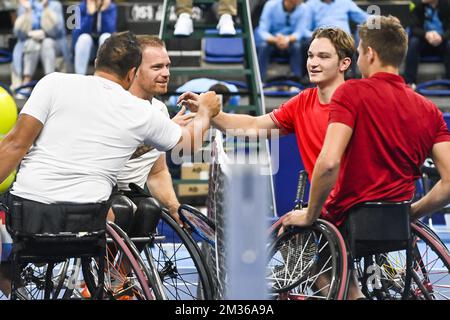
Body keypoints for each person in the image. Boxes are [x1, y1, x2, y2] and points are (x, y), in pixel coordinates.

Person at [0, 31, 220, 296]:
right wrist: (206, 111)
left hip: (29, 217)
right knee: (118, 208)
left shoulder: (53, 82)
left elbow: (14, 145)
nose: (165, 72)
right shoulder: (140, 112)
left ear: (96, 62)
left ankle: (10, 275)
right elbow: (189, 144)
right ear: (132, 73)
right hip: (89, 223)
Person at [281, 15, 450, 299]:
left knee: (314, 267)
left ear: (370, 54)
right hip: (397, 220)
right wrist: (412, 211)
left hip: (346, 218)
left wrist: (310, 214)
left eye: (359, 52)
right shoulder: (429, 110)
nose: (358, 59)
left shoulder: (350, 93)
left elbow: (329, 163)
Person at [179, 27, 354, 193]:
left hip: (358, 207)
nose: (313, 63)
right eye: (310, 56)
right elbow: (253, 126)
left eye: (323, 57)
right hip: (325, 207)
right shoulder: (302, 102)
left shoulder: (358, 101)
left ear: (344, 64)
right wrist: (209, 112)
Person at [11, 0, 72, 90]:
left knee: (46, 43)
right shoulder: (25, 5)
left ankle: (50, 81)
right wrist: (27, 12)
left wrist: (46, 10)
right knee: (32, 43)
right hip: (29, 42)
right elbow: (19, 34)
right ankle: (26, 81)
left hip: (53, 42)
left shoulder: (55, 5)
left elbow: (57, 33)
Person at [254, 0, 308, 82]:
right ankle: (259, 80)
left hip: (290, 42)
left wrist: (287, 39)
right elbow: (262, 30)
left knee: (297, 46)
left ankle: (296, 80)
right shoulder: (271, 5)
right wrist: (276, 40)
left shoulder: (304, 8)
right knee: (263, 46)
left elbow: (300, 32)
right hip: (271, 40)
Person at [404, 0, 450, 86]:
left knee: (449, 44)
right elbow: (413, 28)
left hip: (442, 41)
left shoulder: (447, 5)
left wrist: (442, 37)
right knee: (414, 42)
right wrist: (426, 34)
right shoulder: (417, 5)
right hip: (424, 40)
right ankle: (409, 82)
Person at [72, 0, 117, 75]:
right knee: (84, 38)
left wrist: (103, 11)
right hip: (88, 49)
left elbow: (111, 31)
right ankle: (79, 76)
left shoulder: (111, 7)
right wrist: (90, 15)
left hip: (102, 48)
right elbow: (76, 35)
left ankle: (104, 76)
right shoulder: (80, 7)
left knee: (106, 37)